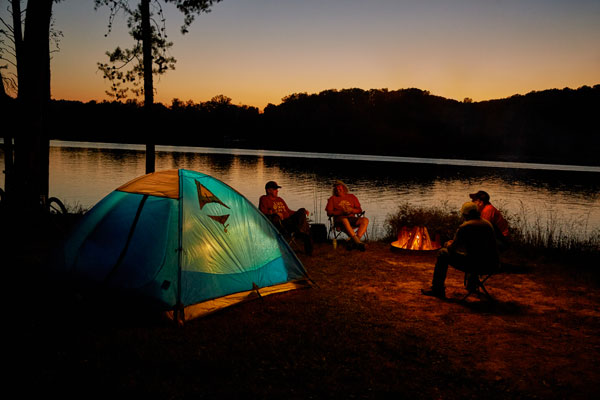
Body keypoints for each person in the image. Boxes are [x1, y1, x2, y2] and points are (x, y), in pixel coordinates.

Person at [421, 202, 499, 299]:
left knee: (442, 252)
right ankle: (472, 285)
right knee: (475, 254)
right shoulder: (487, 224)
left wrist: (448, 243)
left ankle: (437, 289)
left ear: (465, 215)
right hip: (491, 264)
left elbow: (452, 248)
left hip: (475, 265)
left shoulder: (465, 226)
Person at [259, 181, 313, 255]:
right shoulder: (264, 199)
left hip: (290, 222)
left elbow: (288, 211)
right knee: (305, 226)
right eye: (275, 189)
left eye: (277, 189)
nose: (277, 191)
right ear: (268, 190)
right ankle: (301, 233)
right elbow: (262, 213)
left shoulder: (280, 199)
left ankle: (301, 230)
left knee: (302, 210)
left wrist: (301, 213)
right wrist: (275, 213)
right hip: (282, 224)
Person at [325, 180, 369, 251]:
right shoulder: (332, 199)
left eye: (339, 188)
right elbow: (329, 213)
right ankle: (358, 242)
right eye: (336, 189)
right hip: (339, 220)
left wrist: (352, 210)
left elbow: (359, 210)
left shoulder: (351, 197)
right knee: (344, 220)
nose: (338, 190)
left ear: (344, 188)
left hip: (351, 218)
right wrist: (341, 212)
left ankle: (354, 242)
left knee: (365, 220)